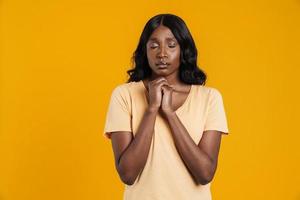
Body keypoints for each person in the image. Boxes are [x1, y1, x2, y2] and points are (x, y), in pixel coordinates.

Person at [103, 13, 229, 200]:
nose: (162, 53)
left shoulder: (209, 98)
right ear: (145, 51)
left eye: (171, 45)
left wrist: (169, 113)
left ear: (183, 50)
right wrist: (152, 109)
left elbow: (205, 173)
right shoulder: (124, 95)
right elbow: (128, 174)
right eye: (154, 45)